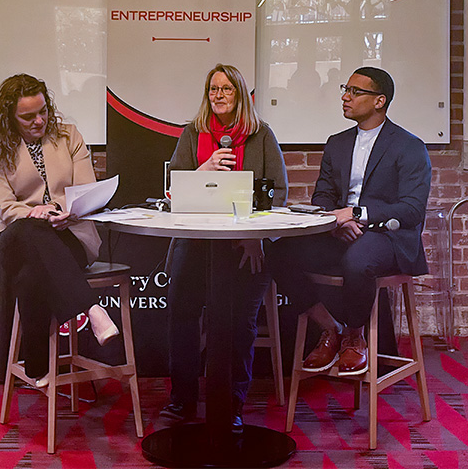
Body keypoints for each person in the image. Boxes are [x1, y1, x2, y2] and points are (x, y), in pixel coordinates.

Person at [271, 66, 431, 376]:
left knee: (358, 261)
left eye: (355, 92)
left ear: (379, 101)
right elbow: (323, 197)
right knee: (279, 252)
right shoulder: (337, 143)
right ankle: (332, 329)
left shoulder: (409, 146)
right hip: (342, 231)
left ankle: (356, 336)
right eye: (346, 89)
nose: (345, 96)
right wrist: (338, 223)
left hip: (388, 237)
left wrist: (356, 214)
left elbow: (412, 210)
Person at [160, 63, 288, 433]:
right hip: (196, 240)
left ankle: (231, 401)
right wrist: (205, 168)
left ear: (240, 95)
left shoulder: (261, 135)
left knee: (236, 320)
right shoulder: (192, 133)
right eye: (212, 89)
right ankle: (182, 397)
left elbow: (278, 194)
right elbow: (173, 190)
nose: (217, 95)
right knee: (181, 313)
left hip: (245, 244)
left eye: (226, 89)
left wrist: (255, 235)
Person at [0, 74, 119, 385]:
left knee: (31, 274)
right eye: (27, 117)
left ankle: (35, 368)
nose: (38, 121)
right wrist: (35, 214)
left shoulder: (69, 136)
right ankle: (93, 310)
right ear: (10, 117)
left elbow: (86, 191)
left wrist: (62, 213)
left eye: (42, 111)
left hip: (69, 233)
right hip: (17, 233)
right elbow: (3, 205)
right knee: (26, 231)